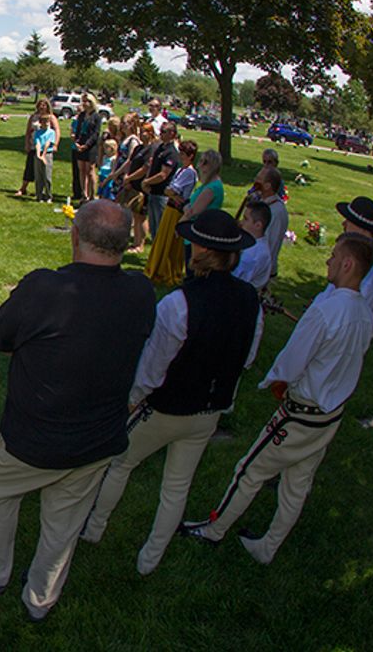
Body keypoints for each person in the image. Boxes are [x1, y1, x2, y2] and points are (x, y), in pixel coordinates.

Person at [0, 201, 156, 621]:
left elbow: (0, 336)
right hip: (98, 436)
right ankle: (40, 598)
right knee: (64, 524)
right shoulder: (140, 291)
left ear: (76, 237)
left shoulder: (46, 288)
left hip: (35, 436)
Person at [81, 210, 263, 574]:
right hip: (209, 409)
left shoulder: (179, 304)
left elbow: (153, 365)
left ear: (202, 249)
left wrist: (135, 399)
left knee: (120, 462)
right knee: (177, 486)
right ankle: (151, 558)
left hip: (166, 407)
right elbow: (249, 356)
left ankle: (94, 528)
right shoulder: (250, 300)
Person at [180, 234, 373, 565]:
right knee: (297, 483)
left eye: (333, 256)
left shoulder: (325, 310)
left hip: (300, 415)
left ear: (347, 264)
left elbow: (294, 357)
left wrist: (277, 382)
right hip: (329, 416)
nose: (328, 261)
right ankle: (268, 546)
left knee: (249, 470)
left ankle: (214, 530)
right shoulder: (365, 314)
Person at [311, 197, 373, 315]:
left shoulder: (368, 275)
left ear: (362, 229)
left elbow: (347, 314)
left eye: (349, 220)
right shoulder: (356, 258)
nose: (344, 224)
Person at [144, 140, 197, 286]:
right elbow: (168, 189)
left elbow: (172, 189)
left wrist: (171, 192)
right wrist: (171, 192)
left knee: (170, 242)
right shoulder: (181, 170)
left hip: (177, 212)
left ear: (191, 156)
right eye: (180, 153)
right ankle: (157, 267)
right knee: (162, 238)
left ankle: (168, 271)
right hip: (170, 207)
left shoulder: (189, 173)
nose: (181, 156)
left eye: (184, 154)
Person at [119, 121, 156, 252]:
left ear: (151, 133)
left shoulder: (152, 149)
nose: (141, 133)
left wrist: (130, 177)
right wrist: (126, 177)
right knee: (135, 215)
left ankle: (140, 244)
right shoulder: (139, 148)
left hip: (142, 187)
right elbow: (131, 162)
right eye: (140, 130)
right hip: (132, 185)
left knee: (141, 216)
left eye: (144, 131)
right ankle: (135, 242)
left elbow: (145, 168)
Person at [142, 122, 180, 240]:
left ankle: (160, 256)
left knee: (160, 227)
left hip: (162, 195)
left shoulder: (171, 153)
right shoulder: (160, 148)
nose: (160, 134)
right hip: (153, 192)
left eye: (164, 132)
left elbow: (163, 175)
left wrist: (147, 182)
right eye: (160, 131)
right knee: (153, 226)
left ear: (172, 134)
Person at [15, 98, 60, 198]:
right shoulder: (33, 117)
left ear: (48, 106)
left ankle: (44, 192)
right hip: (34, 145)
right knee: (30, 167)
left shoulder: (51, 117)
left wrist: (55, 144)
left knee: (45, 170)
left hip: (46, 148)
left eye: (44, 105)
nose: (42, 106)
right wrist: (27, 143)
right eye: (40, 104)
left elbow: (57, 131)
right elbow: (28, 131)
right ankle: (23, 188)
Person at [256, 166, 289, 282]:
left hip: (262, 272)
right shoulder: (264, 202)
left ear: (267, 186)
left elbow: (271, 244)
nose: (255, 181)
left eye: (258, 179)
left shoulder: (275, 212)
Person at [233, 201, 273, 290]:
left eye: (245, 219)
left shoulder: (252, 255)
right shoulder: (255, 244)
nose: (241, 222)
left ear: (258, 225)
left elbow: (236, 280)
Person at [72, 93, 102, 202]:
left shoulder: (97, 116)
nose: (84, 103)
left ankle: (92, 195)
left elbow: (96, 133)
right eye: (83, 101)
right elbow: (78, 130)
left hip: (91, 146)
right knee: (81, 170)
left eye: (86, 101)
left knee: (90, 170)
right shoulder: (81, 115)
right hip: (80, 145)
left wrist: (86, 145)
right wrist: (77, 142)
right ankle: (84, 194)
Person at [32, 115, 59, 203]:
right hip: (38, 154)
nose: (46, 123)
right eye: (44, 122)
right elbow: (37, 143)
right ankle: (39, 195)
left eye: (48, 121)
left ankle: (48, 196)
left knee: (47, 176)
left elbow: (48, 143)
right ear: (40, 123)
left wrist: (43, 155)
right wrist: (38, 155)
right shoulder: (38, 132)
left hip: (47, 154)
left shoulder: (51, 132)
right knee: (38, 176)